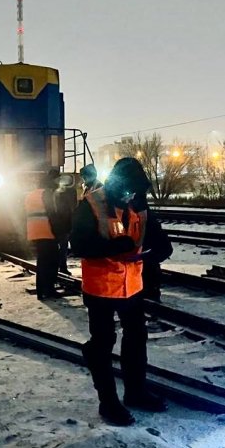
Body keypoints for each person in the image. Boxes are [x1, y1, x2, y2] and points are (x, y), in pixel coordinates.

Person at [70, 157, 167, 426]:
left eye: (135, 192)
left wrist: (158, 251)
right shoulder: (92, 204)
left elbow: (153, 237)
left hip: (132, 287)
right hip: (101, 288)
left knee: (136, 339)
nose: (130, 197)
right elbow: (78, 245)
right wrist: (111, 248)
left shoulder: (139, 203)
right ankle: (108, 403)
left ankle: (136, 392)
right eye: (126, 191)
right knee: (102, 344)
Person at [25, 169, 62, 300]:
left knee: (42, 262)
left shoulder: (32, 194)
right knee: (51, 262)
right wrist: (57, 232)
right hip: (47, 231)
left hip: (35, 231)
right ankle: (49, 289)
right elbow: (52, 215)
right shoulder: (47, 194)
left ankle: (41, 291)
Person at [132, 193, 173, 302]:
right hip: (151, 252)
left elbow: (164, 248)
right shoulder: (142, 210)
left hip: (145, 269)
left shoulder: (138, 211)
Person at [54, 175, 78, 276]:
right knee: (63, 246)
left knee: (59, 246)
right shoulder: (71, 192)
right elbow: (73, 207)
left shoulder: (56, 192)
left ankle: (59, 267)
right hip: (65, 222)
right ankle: (62, 267)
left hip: (59, 222)